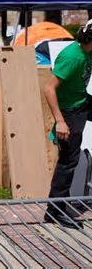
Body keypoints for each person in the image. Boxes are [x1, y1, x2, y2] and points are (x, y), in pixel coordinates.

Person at [43, 20, 92, 229]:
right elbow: (48, 88)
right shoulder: (72, 57)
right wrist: (60, 121)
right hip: (69, 111)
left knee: (68, 160)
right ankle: (54, 211)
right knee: (68, 161)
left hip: (82, 101)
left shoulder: (87, 50)